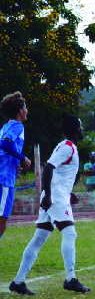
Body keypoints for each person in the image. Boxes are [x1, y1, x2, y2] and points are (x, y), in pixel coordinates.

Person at [9, 115, 90, 295]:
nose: (82, 129)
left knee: (39, 238)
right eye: (81, 126)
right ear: (75, 129)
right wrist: (50, 195)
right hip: (55, 198)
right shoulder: (67, 147)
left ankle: (18, 281)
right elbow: (48, 168)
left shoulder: (68, 147)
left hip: (57, 195)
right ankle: (71, 279)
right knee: (70, 233)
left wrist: (66, 194)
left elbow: (59, 174)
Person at [1, 91, 31, 240]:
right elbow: (5, 144)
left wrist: (15, 164)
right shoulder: (18, 126)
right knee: (2, 219)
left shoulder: (5, 127)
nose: (27, 110)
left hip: (6, 173)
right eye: (25, 107)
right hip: (4, 179)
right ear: (20, 111)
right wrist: (22, 157)